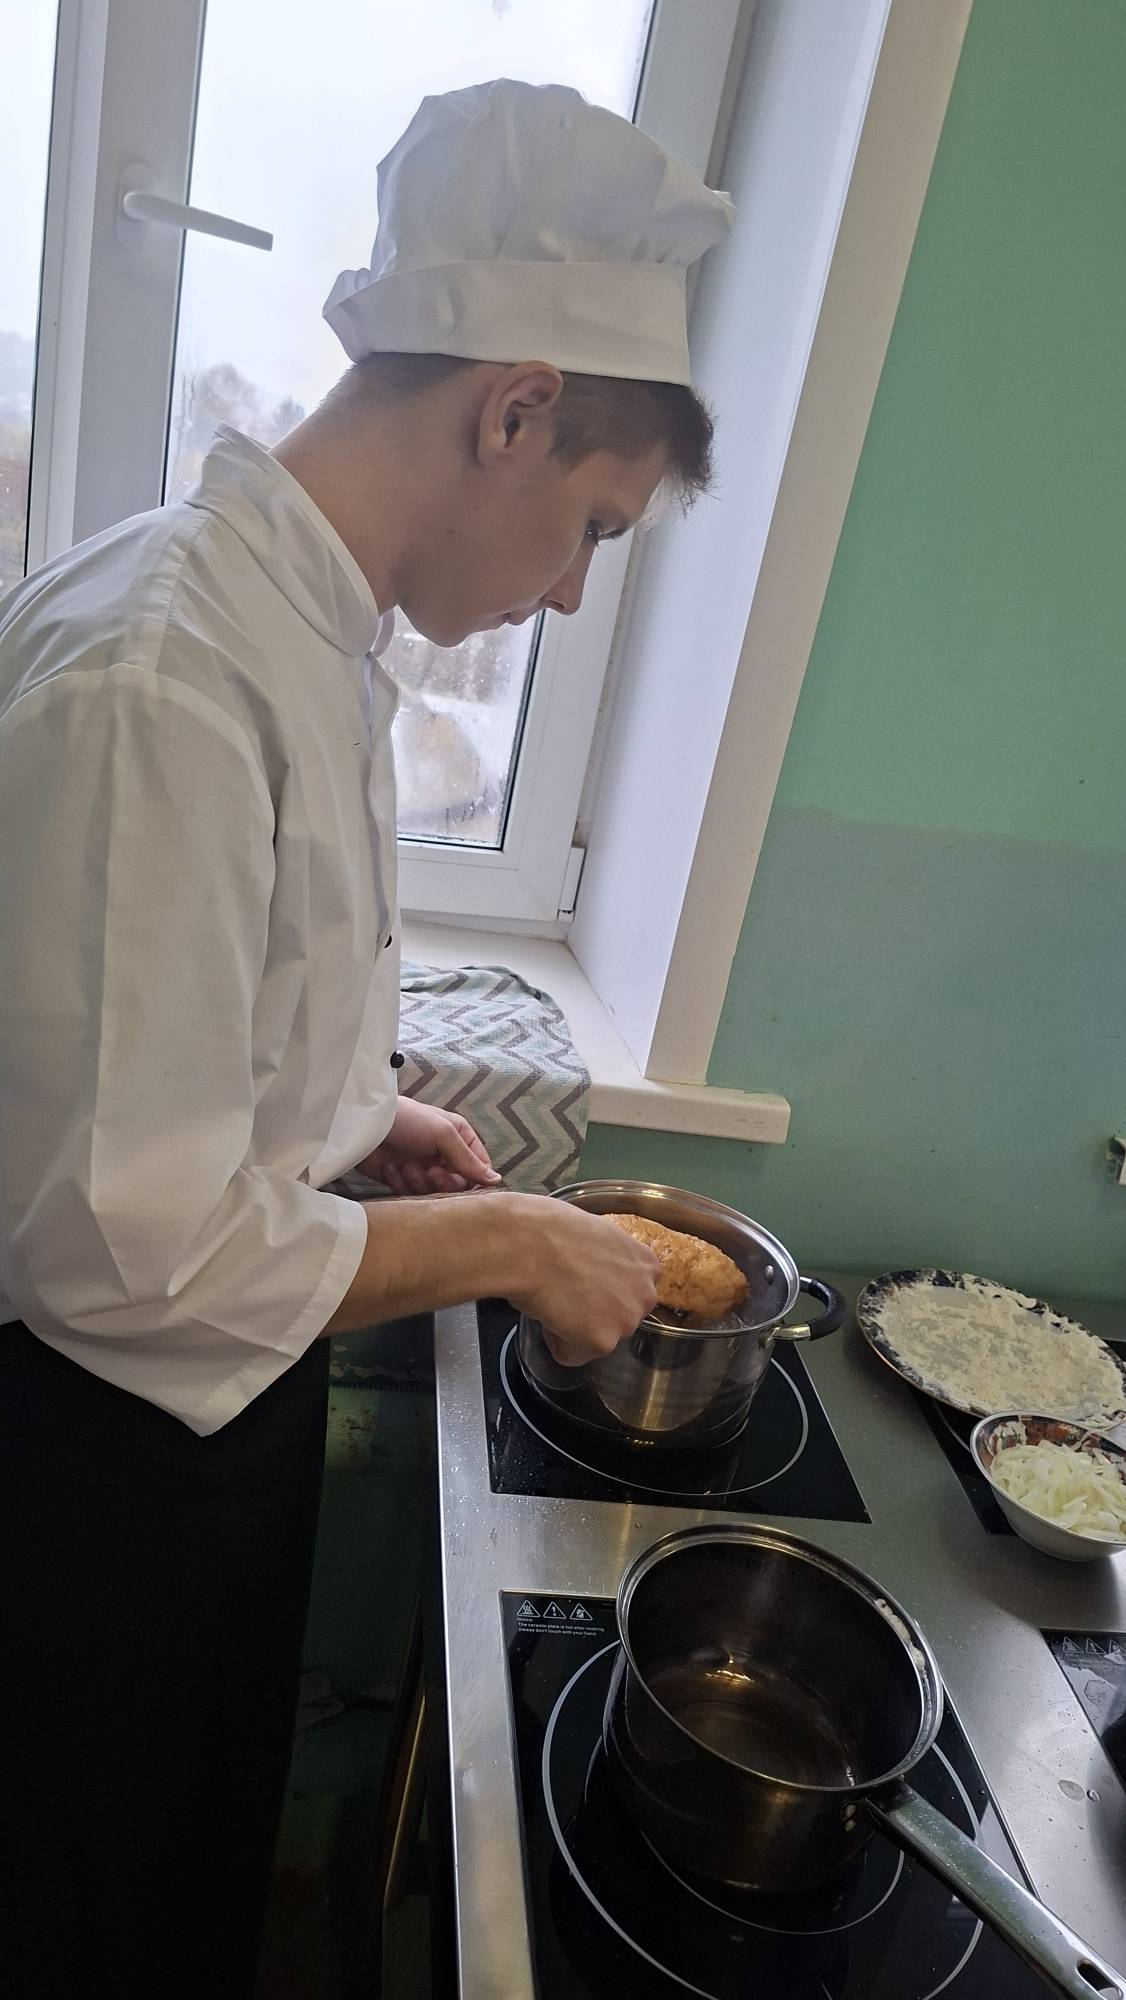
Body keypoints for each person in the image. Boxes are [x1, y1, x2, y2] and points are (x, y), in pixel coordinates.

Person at [0, 79, 732, 1999]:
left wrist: (350, 1115)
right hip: (84, 1460)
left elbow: (179, 1038)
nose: (567, 588)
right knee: (87, 1915)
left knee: (183, 1880)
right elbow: (120, 1251)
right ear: (513, 408)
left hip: (194, 1424)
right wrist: (507, 1240)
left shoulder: (292, 637)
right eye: (590, 526)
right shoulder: (164, 677)